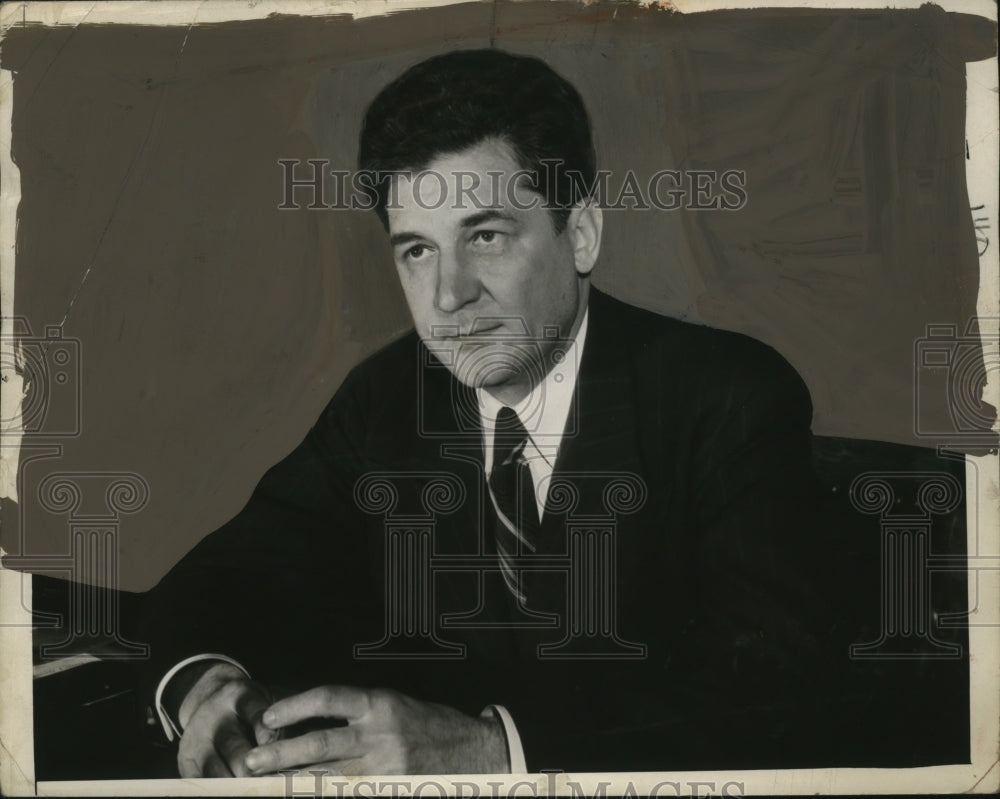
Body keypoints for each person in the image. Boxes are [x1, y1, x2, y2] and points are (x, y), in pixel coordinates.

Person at [138, 48, 839, 778]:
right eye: (416, 250)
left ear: (583, 234)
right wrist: (207, 682)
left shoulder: (729, 397)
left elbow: (774, 694)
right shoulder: (383, 399)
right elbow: (215, 581)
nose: (448, 295)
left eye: (485, 235)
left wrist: (493, 749)